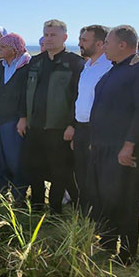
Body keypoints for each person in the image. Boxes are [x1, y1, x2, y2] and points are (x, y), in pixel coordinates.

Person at [87, 25, 139, 264]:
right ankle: (107, 243)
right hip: (102, 146)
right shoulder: (114, 69)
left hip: (123, 149)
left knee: (126, 201)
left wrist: (129, 144)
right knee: (106, 198)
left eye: (107, 42)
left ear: (122, 44)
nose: (104, 46)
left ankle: (126, 254)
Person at [18, 20, 83, 214]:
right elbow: (25, 93)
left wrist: (73, 125)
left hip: (59, 129)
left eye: (53, 35)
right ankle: (37, 207)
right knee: (34, 169)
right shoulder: (35, 63)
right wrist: (23, 117)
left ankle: (55, 210)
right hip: (35, 127)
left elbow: (77, 98)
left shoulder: (74, 63)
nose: (48, 39)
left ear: (64, 37)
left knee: (59, 172)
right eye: (46, 35)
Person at [0, 33, 31, 204]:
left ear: (14, 49)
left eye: (3, 47)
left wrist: (23, 117)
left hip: (15, 121)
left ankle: (19, 198)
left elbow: (27, 96)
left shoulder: (26, 67)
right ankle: (1, 194)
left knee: (15, 161)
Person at [72, 25, 112, 215]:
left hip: (97, 129)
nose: (80, 44)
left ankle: (98, 217)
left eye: (84, 40)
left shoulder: (109, 66)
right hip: (81, 128)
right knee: (81, 174)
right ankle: (85, 214)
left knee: (95, 176)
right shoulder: (87, 66)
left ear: (99, 43)